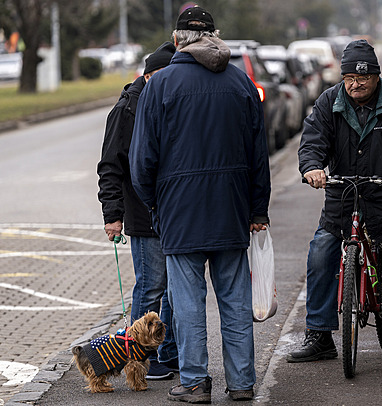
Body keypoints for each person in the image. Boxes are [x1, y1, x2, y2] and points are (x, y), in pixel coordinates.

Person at [129, 6, 271, 403]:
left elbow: (142, 161)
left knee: (187, 304)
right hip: (231, 210)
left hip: (180, 213)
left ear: (177, 40)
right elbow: (258, 155)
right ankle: (241, 383)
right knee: (236, 303)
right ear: (215, 37)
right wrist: (258, 209)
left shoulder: (159, 86)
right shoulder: (242, 83)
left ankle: (193, 382)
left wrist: (155, 206)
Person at [288, 39, 382, 365]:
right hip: (343, 197)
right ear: (342, 79)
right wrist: (312, 166)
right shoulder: (329, 101)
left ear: (376, 76)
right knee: (320, 252)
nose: (356, 85)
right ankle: (319, 334)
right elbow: (313, 139)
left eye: (363, 78)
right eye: (349, 79)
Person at [96, 41, 178, 380]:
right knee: (151, 286)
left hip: (175, 213)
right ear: (153, 74)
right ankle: (140, 357)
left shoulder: (169, 101)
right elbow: (110, 166)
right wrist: (112, 215)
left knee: (176, 288)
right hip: (143, 215)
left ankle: (168, 351)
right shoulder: (127, 109)